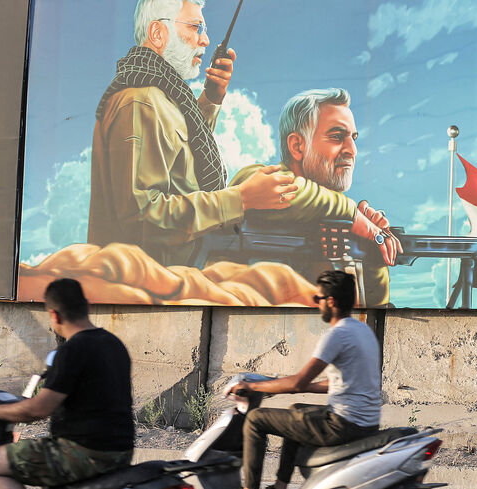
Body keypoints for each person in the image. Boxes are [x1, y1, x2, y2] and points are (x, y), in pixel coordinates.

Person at [88, 0, 298, 267]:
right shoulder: (141, 102)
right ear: (157, 33)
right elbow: (142, 218)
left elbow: (183, 158)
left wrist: (211, 97)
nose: (206, 40)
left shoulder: (162, 96)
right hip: (155, 283)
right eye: (195, 27)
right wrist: (241, 198)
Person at [229, 88, 401, 306]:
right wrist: (353, 216)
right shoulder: (258, 180)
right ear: (297, 146)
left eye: (353, 138)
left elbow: (372, 307)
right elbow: (277, 186)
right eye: (337, 137)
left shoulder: (329, 217)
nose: (352, 150)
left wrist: (372, 256)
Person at [0, 279, 134, 489]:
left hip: (83, 453)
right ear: (87, 305)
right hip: (121, 452)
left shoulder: (72, 350)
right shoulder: (113, 344)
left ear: (54, 315)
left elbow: (39, 409)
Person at [228, 270, 382, 489]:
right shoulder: (363, 330)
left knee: (255, 419)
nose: (316, 303)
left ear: (331, 301)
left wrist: (252, 386)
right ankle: (281, 485)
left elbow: (297, 382)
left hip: (342, 424)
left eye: (318, 298)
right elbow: (335, 383)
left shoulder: (337, 334)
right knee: (296, 409)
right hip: (366, 423)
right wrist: (297, 387)